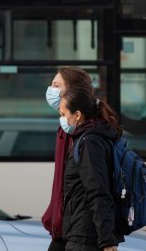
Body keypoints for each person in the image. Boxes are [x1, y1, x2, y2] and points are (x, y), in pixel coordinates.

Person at [60, 87, 123, 251]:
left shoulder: (89, 142)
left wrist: (107, 240)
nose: (63, 119)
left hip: (85, 238)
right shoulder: (90, 137)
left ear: (78, 115)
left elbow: (98, 191)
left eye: (63, 114)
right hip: (83, 232)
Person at [42, 67, 94, 251]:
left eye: (56, 85)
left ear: (71, 91)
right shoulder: (66, 128)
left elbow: (96, 188)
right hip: (66, 225)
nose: (51, 90)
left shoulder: (83, 133)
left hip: (76, 229)